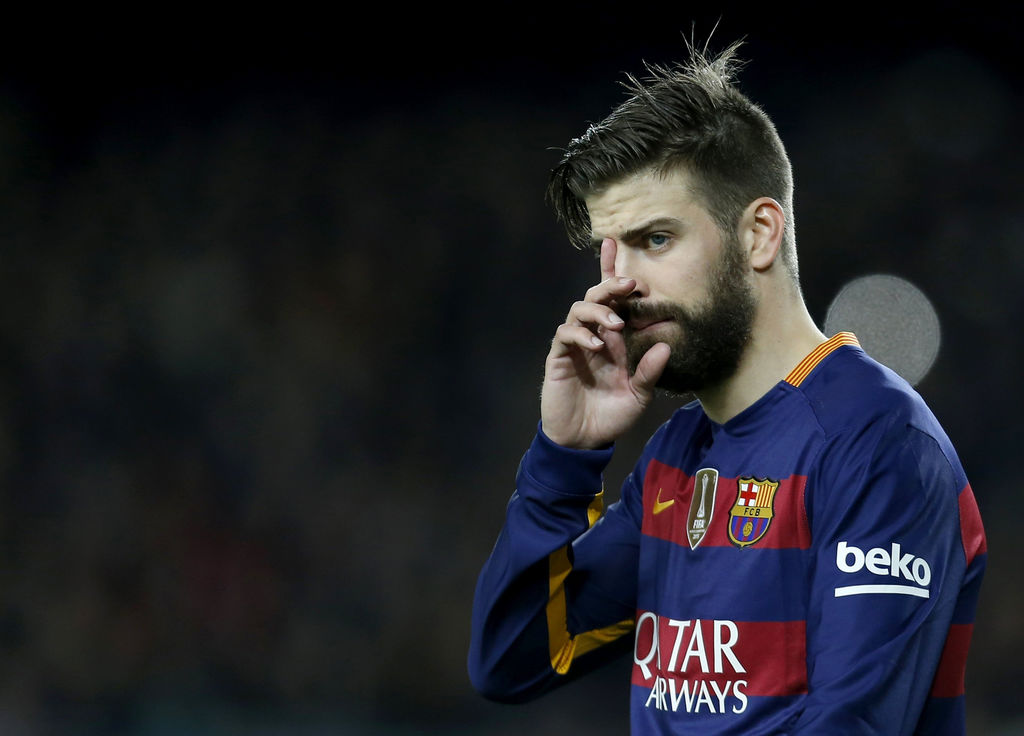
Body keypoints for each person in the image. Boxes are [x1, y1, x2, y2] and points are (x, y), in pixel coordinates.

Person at [467, 41, 987, 734]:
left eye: (656, 239)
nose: (619, 284)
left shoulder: (880, 444)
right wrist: (565, 457)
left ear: (759, 234)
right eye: (608, 251)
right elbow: (511, 659)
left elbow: (849, 725)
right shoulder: (676, 455)